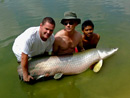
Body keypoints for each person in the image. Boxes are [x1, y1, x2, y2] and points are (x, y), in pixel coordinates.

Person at [12, 17, 55, 82]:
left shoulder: (52, 38)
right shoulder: (30, 36)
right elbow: (24, 56)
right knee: (24, 69)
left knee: (39, 62)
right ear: (41, 26)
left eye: (51, 30)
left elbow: (46, 53)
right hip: (20, 49)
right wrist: (25, 75)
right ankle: (22, 71)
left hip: (36, 49)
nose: (48, 32)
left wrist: (45, 69)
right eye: (46, 29)